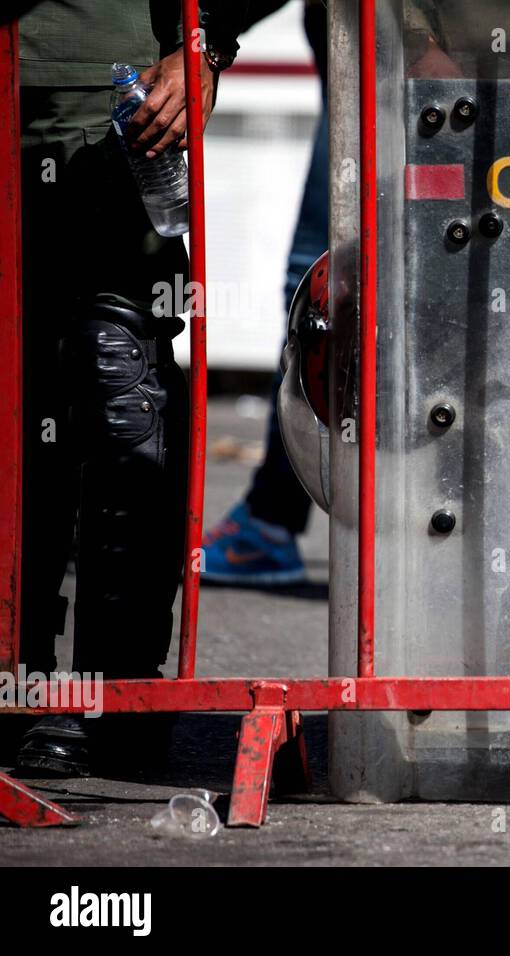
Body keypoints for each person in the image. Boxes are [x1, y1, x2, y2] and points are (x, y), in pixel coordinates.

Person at [11, 0, 248, 776]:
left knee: (115, 377)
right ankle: (21, 683)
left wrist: (206, 41)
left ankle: (111, 696)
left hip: (106, 84)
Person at [199, 0, 327, 587]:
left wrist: (208, 33)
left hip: (397, 69)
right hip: (392, 66)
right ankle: (271, 520)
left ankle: (270, 524)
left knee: (320, 287)